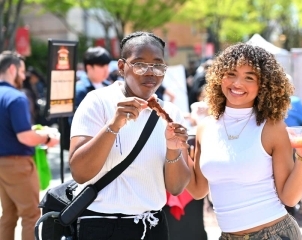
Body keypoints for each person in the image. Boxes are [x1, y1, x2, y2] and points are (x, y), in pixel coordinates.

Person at [186, 43, 302, 240]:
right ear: (219, 77)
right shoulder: (205, 127)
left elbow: (289, 197)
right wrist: (178, 149)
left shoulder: (272, 128)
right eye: (231, 73)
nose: (237, 83)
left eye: (249, 77)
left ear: (264, 84)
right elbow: (198, 190)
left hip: (273, 234)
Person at [68, 31, 191, 239]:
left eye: (158, 66)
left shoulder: (171, 113)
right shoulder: (98, 102)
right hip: (101, 225)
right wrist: (113, 126)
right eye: (140, 64)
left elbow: (177, 187)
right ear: (122, 67)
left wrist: (172, 148)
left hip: (152, 226)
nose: (150, 72)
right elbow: (80, 172)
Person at [0, 51, 59, 240]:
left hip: (2, 165)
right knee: (31, 215)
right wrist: (47, 138)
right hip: (17, 165)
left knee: (8, 216)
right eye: (22, 71)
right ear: (12, 69)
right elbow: (25, 136)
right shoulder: (16, 98)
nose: (24, 76)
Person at [63, 46, 112, 150]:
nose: (106, 70)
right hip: (89, 145)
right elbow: (76, 122)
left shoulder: (109, 86)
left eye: (107, 65)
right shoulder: (79, 90)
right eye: (102, 66)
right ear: (89, 67)